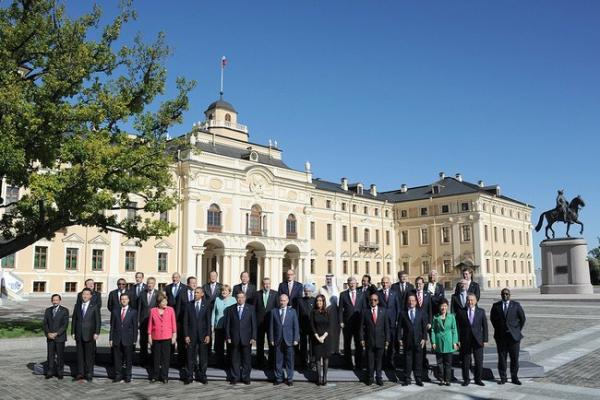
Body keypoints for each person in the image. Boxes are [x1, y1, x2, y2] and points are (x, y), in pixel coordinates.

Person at [490, 288, 526, 385]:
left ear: (510, 295)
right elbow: (493, 319)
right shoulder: (496, 306)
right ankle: (503, 377)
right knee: (502, 358)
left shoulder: (516, 305)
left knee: (514, 358)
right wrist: (499, 329)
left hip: (514, 337)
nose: (505, 296)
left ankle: (514, 377)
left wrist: (516, 330)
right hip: (501, 337)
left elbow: (522, 319)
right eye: (503, 294)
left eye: (507, 294)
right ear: (501, 295)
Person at [225, 292, 257, 385]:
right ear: (236, 298)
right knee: (235, 359)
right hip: (234, 338)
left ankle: (246, 377)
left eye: (242, 297)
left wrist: (253, 337)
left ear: (245, 298)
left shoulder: (250, 308)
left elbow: (253, 324)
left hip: (247, 338)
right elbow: (227, 324)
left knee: (246, 360)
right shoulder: (230, 309)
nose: (240, 299)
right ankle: (235, 377)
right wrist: (228, 337)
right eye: (238, 297)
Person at [457, 293, 488, 386]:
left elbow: (485, 326)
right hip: (465, 340)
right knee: (466, 361)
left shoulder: (481, 311)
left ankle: (478, 379)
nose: (470, 302)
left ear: (476, 301)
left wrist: (485, 339)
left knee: (479, 361)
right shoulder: (461, 311)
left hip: (478, 340)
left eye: (472, 300)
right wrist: (458, 340)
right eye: (468, 300)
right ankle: (466, 379)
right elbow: (457, 327)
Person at [269, 294, 300, 386]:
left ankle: (290, 378)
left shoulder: (293, 312)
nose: (282, 302)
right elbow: (271, 327)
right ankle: (278, 378)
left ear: (287, 301)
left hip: (289, 340)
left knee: (289, 360)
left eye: (284, 300)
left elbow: (296, 327)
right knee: (278, 360)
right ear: (279, 301)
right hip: (278, 339)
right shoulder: (274, 311)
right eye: (281, 300)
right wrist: (271, 339)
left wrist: (295, 339)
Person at [71, 288, 101, 382]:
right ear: (81, 295)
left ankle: (89, 373)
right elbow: (74, 320)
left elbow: (98, 321)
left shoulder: (94, 306)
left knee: (89, 356)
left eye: (87, 294)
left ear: (91, 296)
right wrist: (72, 332)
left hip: (90, 334)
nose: (85, 296)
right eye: (84, 294)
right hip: (79, 334)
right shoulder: (77, 306)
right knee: (79, 355)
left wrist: (97, 332)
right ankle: (80, 373)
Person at [360, 293, 389, 386]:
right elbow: (361, 327)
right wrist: (361, 339)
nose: (373, 301)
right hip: (369, 340)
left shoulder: (383, 311)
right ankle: (370, 377)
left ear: (378, 301)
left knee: (379, 361)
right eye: (371, 300)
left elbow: (386, 327)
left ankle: (379, 377)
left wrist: (387, 340)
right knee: (370, 361)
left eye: (375, 300)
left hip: (380, 340)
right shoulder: (365, 311)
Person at [398, 294, 427, 386]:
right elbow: (399, 327)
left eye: (413, 300)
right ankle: (407, 378)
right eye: (409, 300)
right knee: (407, 360)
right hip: (407, 340)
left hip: (419, 340)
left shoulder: (421, 312)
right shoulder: (403, 313)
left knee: (418, 360)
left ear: (416, 302)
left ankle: (418, 378)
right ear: (407, 302)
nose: (411, 302)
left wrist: (424, 338)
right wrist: (399, 338)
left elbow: (424, 327)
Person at [183, 287, 211, 385]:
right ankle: (189, 376)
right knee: (190, 357)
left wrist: (208, 334)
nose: (195, 294)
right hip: (191, 335)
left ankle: (202, 376)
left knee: (203, 358)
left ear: (202, 294)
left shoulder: (206, 305)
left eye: (197, 292)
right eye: (195, 292)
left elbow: (208, 322)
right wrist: (186, 335)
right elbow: (185, 322)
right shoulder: (188, 305)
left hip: (203, 335)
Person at [148, 293, 177, 383]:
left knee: (165, 358)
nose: (165, 303)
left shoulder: (171, 310)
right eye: (163, 301)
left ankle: (164, 376)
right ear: (159, 302)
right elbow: (150, 325)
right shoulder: (153, 311)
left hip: (167, 337)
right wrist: (149, 336)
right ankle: (155, 375)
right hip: (156, 337)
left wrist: (174, 336)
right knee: (156, 358)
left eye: (166, 301)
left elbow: (173, 324)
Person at [109, 292, 138, 383]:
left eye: (125, 299)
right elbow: (112, 325)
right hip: (117, 338)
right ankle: (118, 375)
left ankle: (128, 375)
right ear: (120, 301)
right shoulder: (115, 311)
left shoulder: (133, 312)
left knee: (128, 359)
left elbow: (135, 327)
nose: (124, 300)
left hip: (128, 339)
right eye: (122, 299)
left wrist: (134, 340)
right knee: (117, 358)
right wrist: (111, 338)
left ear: (128, 300)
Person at [338, 276, 365, 370]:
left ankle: (359, 364)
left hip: (359, 323)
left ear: (356, 284)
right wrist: (341, 321)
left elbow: (364, 309)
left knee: (358, 344)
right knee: (347, 344)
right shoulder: (343, 294)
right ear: (348, 284)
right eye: (350, 283)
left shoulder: (361, 294)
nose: (352, 284)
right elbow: (340, 309)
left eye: (354, 283)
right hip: (347, 323)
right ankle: (348, 364)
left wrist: (364, 322)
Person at [431, 298, 458, 386]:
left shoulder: (451, 317)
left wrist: (455, 342)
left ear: (447, 307)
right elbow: (433, 330)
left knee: (448, 363)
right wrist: (433, 342)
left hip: (449, 342)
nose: (443, 308)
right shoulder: (435, 317)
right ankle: (441, 379)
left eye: (445, 306)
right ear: (439, 307)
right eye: (442, 306)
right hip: (438, 342)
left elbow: (454, 330)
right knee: (439, 363)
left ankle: (448, 379)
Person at [165, 272, 187, 378]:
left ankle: (181, 362)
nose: (175, 279)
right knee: (170, 340)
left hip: (180, 318)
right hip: (169, 316)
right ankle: (170, 360)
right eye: (173, 277)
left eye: (177, 277)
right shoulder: (168, 287)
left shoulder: (185, 288)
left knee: (181, 341)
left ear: (180, 278)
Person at [43, 294, 69, 379]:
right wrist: (48, 333)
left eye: (56, 300)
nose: (55, 302)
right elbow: (45, 323)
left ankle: (60, 371)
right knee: (50, 355)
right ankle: (50, 371)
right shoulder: (48, 310)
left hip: (60, 337)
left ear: (59, 301)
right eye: (53, 300)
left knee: (60, 355)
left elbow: (65, 325)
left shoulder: (64, 310)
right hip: (50, 337)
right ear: (51, 301)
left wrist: (56, 333)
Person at [412, 276, 433, 381]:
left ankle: (423, 363)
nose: (418, 285)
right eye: (417, 284)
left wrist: (430, 321)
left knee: (423, 343)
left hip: (424, 322)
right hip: (415, 322)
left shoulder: (427, 295)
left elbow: (430, 309)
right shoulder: (412, 294)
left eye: (420, 284)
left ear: (423, 284)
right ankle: (416, 364)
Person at [256, 277, 278, 369]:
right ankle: (260, 363)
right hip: (259, 323)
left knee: (271, 343)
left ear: (270, 284)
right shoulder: (257, 294)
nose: (267, 285)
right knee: (259, 344)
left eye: (268, 283)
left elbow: (277, 309)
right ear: (262, 284)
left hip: (271, 323)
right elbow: (254, 309)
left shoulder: (275, 294)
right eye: (265, 284)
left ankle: (271, 363)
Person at [211, 284, 236, 369]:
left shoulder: (233, 300)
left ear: (229, 292)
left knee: (230, 346)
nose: (224, 292)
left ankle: (229, 363)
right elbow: (214, 312)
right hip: (219, 326)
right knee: (219, 346)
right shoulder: (217, 299)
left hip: (230, 327)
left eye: (226, 290)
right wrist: (212, 324)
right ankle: (220, 363)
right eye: (222, 290)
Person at [377, 276, 399, 368]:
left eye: (386, 282)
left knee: (392, 342)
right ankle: (383, 362)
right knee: (382, 342)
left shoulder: (394, 294)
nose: (385, 284)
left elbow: (398, 308)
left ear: (389, 283)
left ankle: (391, 361)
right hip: (381, 323)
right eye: (383, 282)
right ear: (381, 283)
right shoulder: (378, 294)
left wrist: (397, 319)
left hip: (392, 322)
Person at [310, 294, 331, 386]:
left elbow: (330, 326)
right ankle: (319, 377)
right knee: (318, 358)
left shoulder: (328, 312)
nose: (319, 302)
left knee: (326, 358)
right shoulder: (313, 312)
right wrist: (318, 337)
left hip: (326, 338)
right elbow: (312, 326)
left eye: (321, 301)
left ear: (323, 302)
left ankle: (325, 377)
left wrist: (323, 337)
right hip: (316, 337)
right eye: (317, 300)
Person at [138, 277, 158, 366]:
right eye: (148, 283)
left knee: (154, 341)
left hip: (154, 322)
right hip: (143, 321)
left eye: (151, 283)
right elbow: (139, 308)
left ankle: (154, 360)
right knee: (143, 341)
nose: (150, 285)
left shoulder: (158, 294)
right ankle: (143, 360)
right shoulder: (142, 293)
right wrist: (138, 320)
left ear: (154, 284)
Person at [319, 274, 340, 354]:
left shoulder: (337, 289)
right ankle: (327, 349)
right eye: (327, 279)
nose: (328, 281)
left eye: (330, 279)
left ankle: (336, 350)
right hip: (325, 314)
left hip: (335, 314)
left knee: (336, 333)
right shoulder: (321, 289)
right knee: (326, 332)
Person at [298, 283, 316, 370]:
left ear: (312, 292)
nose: (307, 293)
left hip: (312, 327)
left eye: (308, 291)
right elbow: (297, 314)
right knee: (303, 346)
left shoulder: (315, 300)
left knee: (312, 346)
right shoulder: (300, 300)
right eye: (305, 291)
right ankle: (303, 362)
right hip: (302, 327)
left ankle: (312, 362)